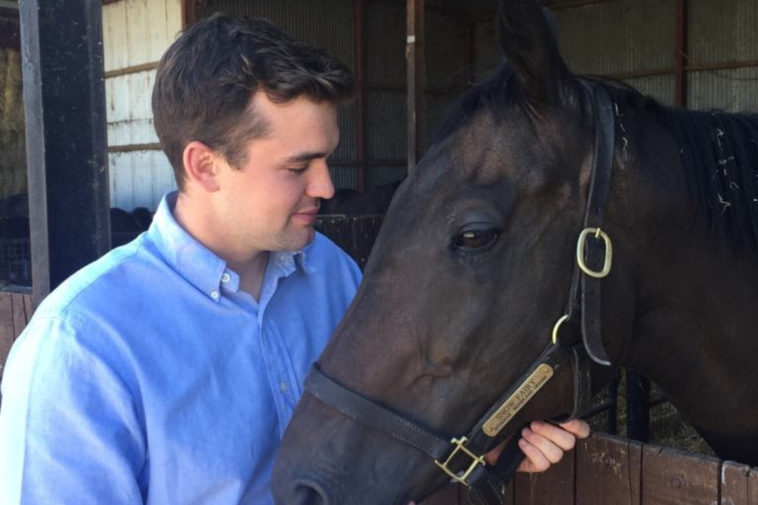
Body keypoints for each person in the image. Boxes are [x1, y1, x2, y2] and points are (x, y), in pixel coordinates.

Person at [0, 13, 589, 505]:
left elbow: (382, 443)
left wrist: (477, 450)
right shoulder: (83, 347)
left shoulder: (335, 277)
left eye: (327, 159)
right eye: (297, 166)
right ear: (205, 166)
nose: (329, 186)